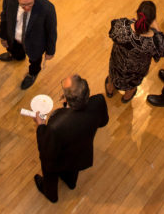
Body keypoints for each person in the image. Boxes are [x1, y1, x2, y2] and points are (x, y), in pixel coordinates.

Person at [31, 74, 109, 203]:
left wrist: (41, 125)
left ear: (66, 97)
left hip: (58, 160)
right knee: (73, 168)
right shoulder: (99, 100)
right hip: (81, 154)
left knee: (50, 174)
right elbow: (103, 122)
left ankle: (51, 195)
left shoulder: (56, 124)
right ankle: (71, 182)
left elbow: (46, 151)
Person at [105, 1, 164, 103]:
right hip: (136, 71)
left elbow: (112, 32)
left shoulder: (122, 27)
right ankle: (126, 98)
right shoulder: (156, 41)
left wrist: (131, 22)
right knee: (132, 86)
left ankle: (109, 91)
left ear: (138, 13)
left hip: (117, 63)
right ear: (152, 20)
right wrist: (157, 28)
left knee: (112, 77)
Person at [0, 0, 57, 90]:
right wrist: (3, 36)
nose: (26, 8)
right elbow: (4, 17)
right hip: (14, 38)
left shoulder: (47, 8)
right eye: (23, 5)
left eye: (30, 4)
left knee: (35, 61)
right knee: (15, 50)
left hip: (35, 44)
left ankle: (32, 74)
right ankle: (17, 56)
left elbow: (51, 31)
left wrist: (50, 51)